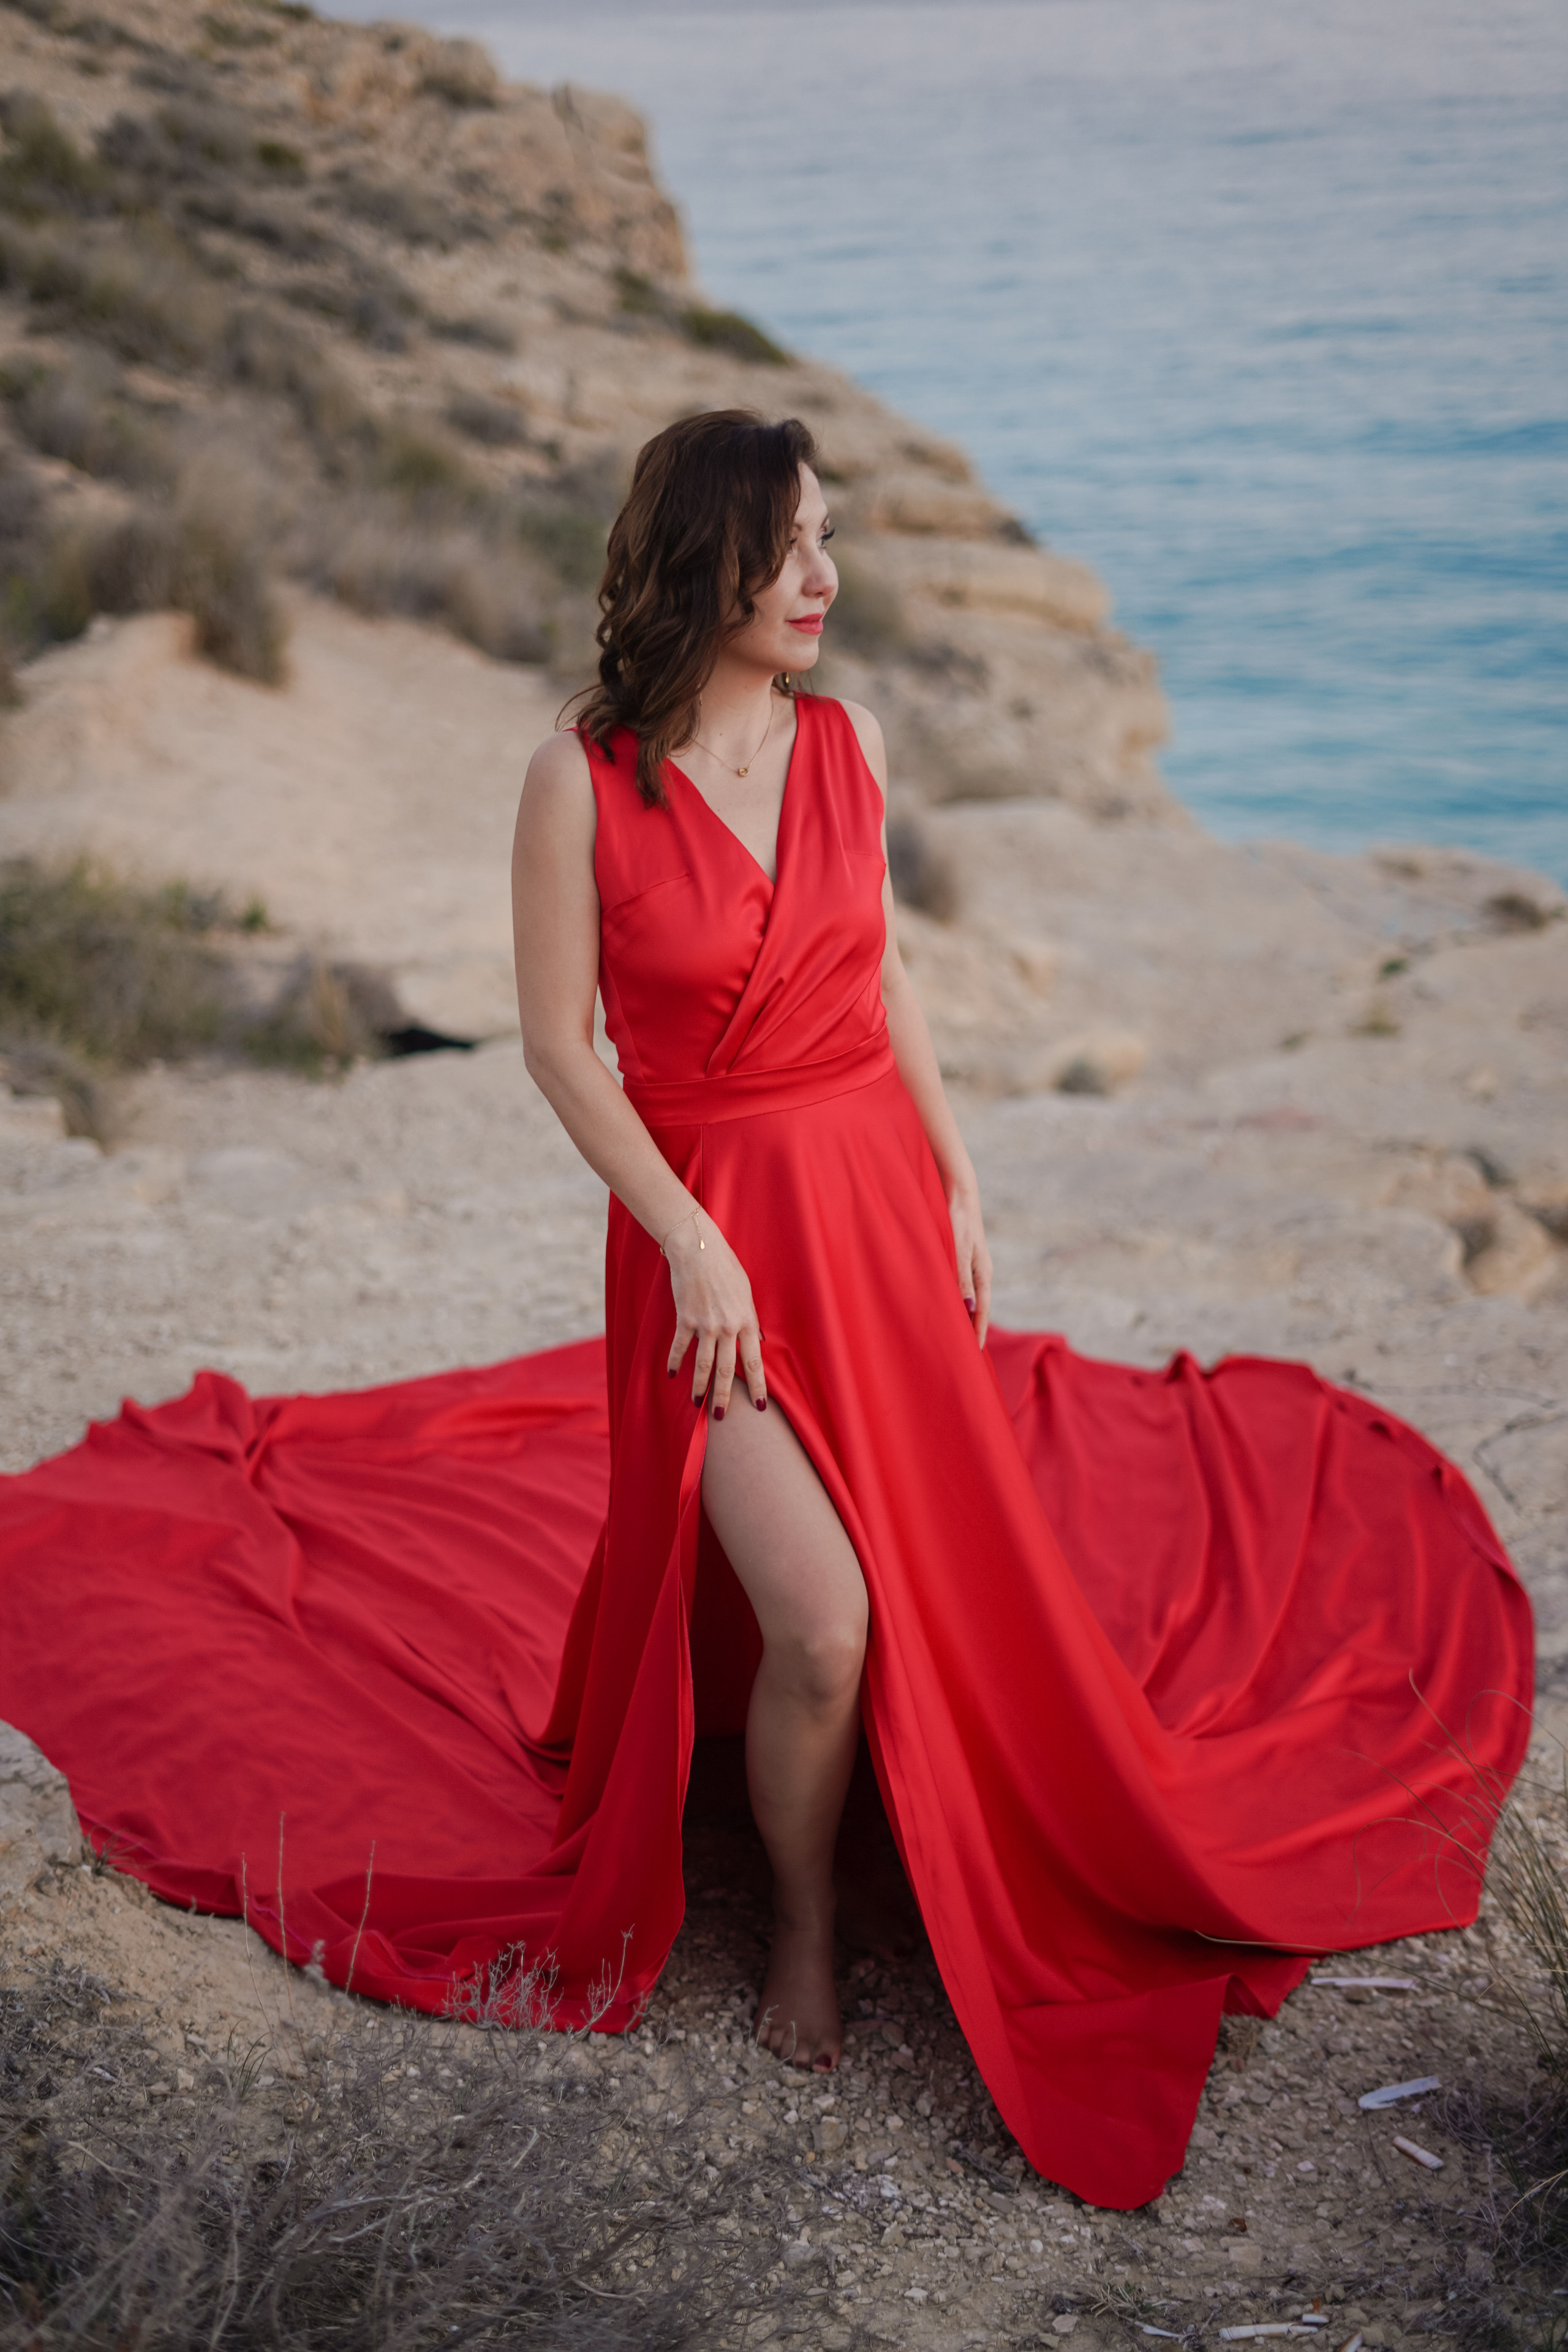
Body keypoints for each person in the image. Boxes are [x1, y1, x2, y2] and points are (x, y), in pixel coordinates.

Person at [513, 410, 985, 2071]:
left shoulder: (848, 744)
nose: (823, 579)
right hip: (704, 1248)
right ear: (699, 556)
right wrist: (688, 1238)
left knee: (928, 1598)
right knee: (824, 1618)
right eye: (789, 550)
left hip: (868, 1218)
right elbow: (562, 1046)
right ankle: (799, 1913)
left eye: (829, 542)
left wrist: (958, 1173)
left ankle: (877, 1864)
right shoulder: (580, 778)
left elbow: (883, 973)